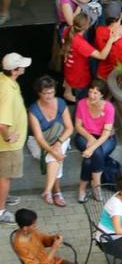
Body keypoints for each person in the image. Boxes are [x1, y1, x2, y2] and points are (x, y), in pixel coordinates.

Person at [28, 78, 74, 209]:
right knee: (54, 158)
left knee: (53, 157)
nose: (49, 96)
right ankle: (56, 192)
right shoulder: (33, 110)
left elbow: (69, 128)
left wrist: (58, 143)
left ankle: (48, 191)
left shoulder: (60, 103)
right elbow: (39, 138)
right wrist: (53, 151)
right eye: (45, 93)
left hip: (61, 137)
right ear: (39, 93)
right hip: (40, 141)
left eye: (52, 92)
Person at [0, 52, 29, 222]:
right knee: (5, 177)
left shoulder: (4, 80)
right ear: (15, 70)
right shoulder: (8, 93)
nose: (24, 67)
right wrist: (8, 137)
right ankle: (1, 210)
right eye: (22, 65)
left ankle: (2, 196)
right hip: (8, 147)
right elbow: (2, 124)